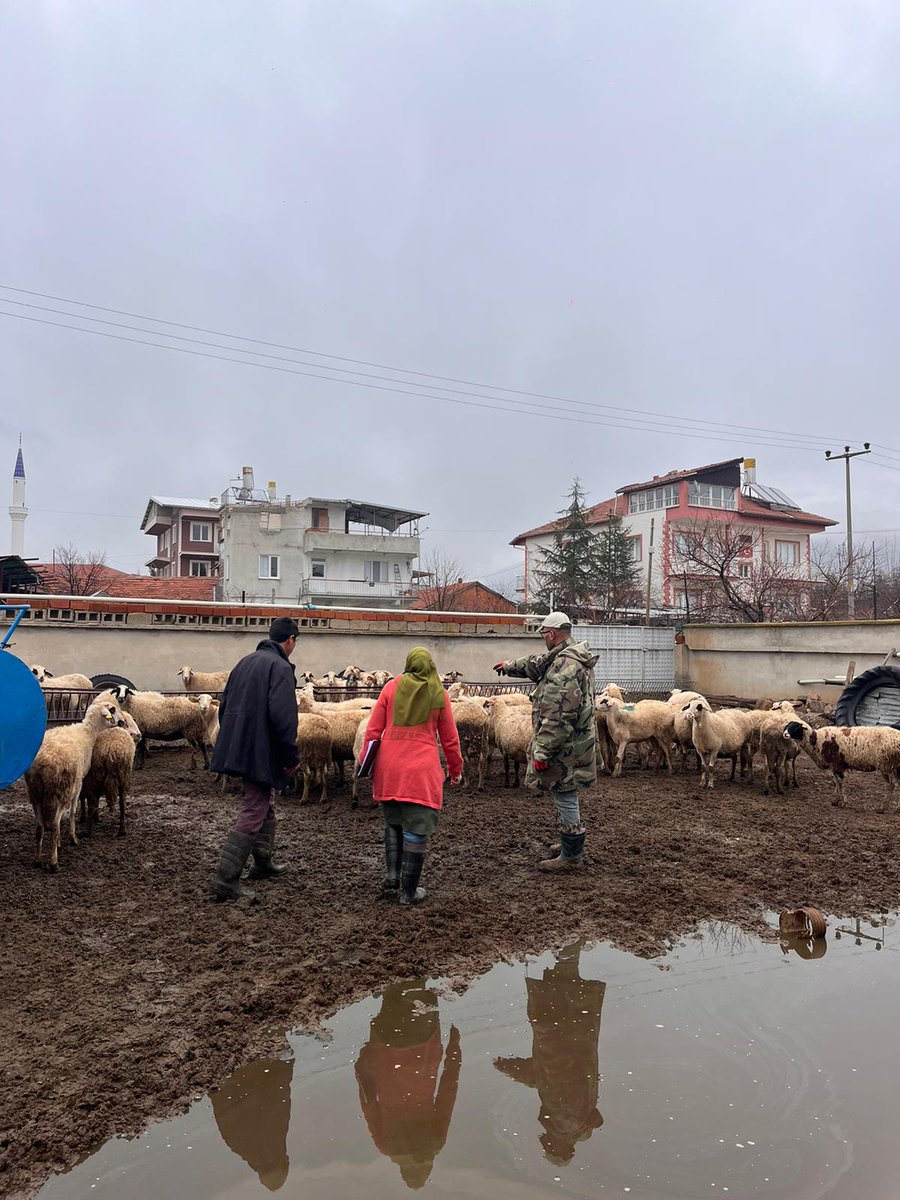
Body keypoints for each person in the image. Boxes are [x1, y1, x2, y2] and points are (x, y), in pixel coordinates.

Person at [494, 611, 597, 871]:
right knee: (563, 793)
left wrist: (541, 753)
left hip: (566, 746)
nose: (543, 640)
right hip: (575, 742)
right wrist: (509, 666)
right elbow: (537, 663)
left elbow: (558, 717)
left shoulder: (565, 667)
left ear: (551, 634)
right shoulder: (567, 654)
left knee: (565, 793)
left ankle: (572, 855)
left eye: (543, 635)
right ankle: (567, 842)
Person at [361, 646, 463, 905]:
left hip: (390, 768)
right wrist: (455, 770)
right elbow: (450, 739)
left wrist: (365, 763)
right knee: (416, 827)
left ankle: (392, 876)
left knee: (394, 820)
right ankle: (408, 892)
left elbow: (373, 731)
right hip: (420, 771)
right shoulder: (438, 693)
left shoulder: (390, 688)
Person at [210, 616, 301, 901]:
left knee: (265, 801)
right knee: (255, 808)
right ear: (290, 641)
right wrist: (290, 756)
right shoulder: (280, 667)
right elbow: (283, 718)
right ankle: (226, 878)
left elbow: (224, 708)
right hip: (262, 749)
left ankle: (262, 862)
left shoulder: (244, 662)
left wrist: (233, 740)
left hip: (241, 744)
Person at [494, 940, 605, 1164]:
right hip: (563, 1026)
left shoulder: (574, 1120)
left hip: (577, 1031)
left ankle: (571, 936)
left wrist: (513, 1069)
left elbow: (545, 1078)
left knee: (565, 975)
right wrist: (546, 1029)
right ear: (554, 1143)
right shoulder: (566, 1119)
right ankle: (572, 934)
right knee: (566, 974)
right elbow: (554, 1070)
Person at [355, 979, 462, 1189]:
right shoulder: (387, 1146)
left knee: (417, 982)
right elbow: (368, 1101)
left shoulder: (435, 1143)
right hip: (387, 1053)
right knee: (390, 990)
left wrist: (454, 1050)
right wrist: (362, 1065)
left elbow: (448, 1090)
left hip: (424, 1048)